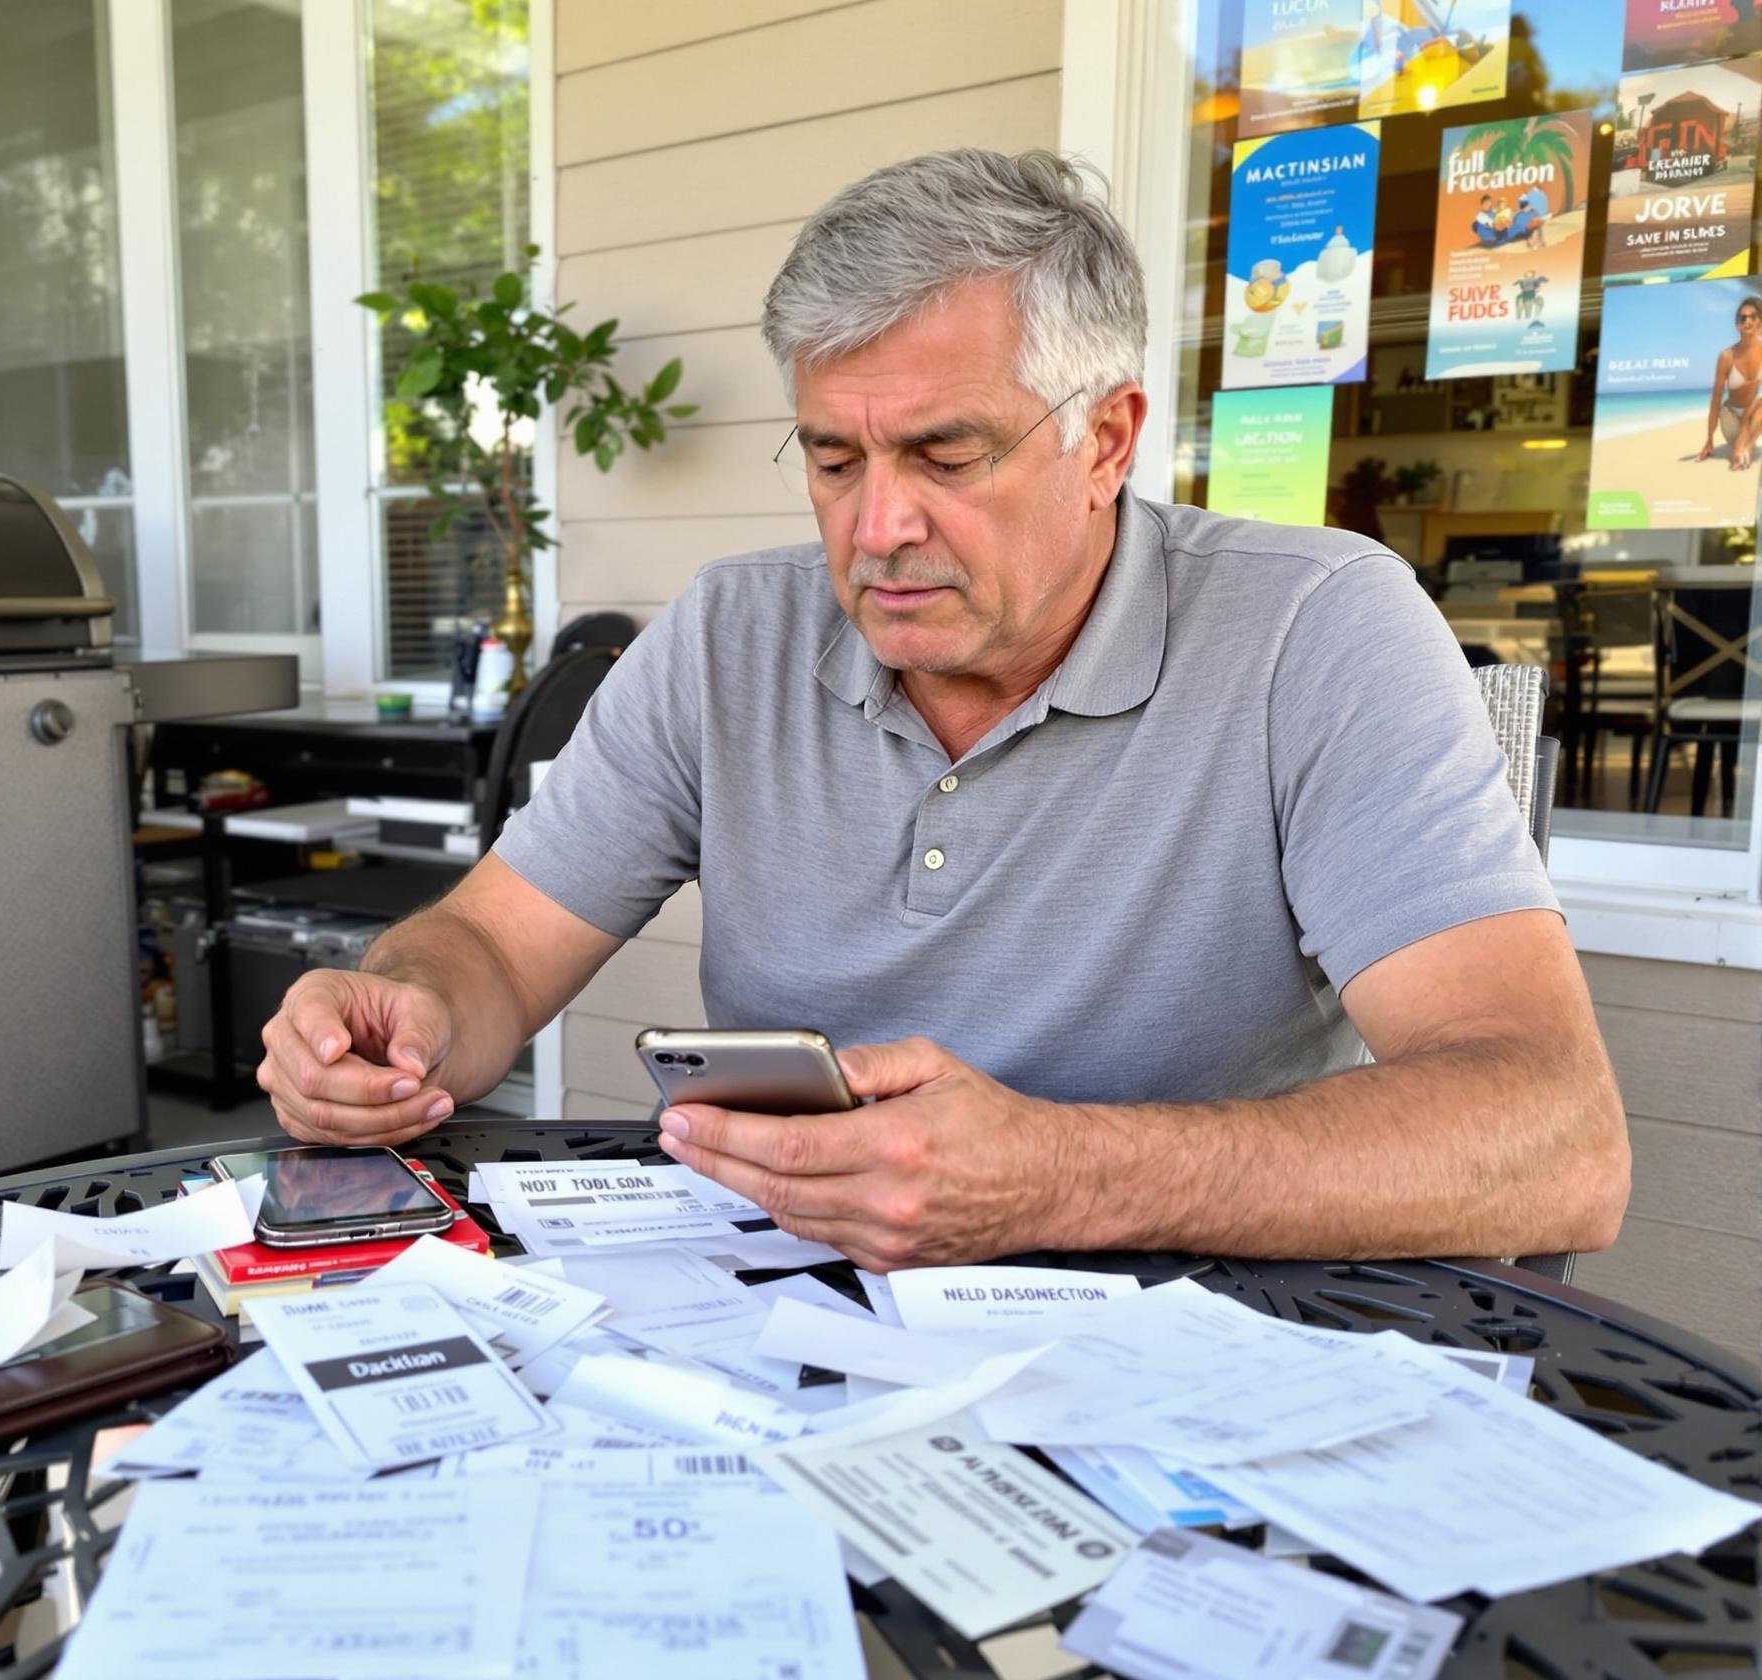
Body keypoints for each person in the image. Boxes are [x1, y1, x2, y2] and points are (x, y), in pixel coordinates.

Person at [257, 148, 1629, 1270]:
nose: (878, 528)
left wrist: (1058, 1177)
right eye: (836, 459)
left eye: (944, 453)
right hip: (795, 1332)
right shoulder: (733, 633)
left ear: (1107, 439)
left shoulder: (1314, 627)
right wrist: (399, 1016)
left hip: (1207, 1357)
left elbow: (1556, 1141)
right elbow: (492, 949)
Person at [1695, 295, 1762, 472]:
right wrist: (1709, 439)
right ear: (1737, 325)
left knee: (1759, 404)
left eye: (1753, 316)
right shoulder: (1726, 357)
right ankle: (1741, 446)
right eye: (1743, 317)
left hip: (1756, 419)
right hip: (1731, 419)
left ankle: (1744, 448)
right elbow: (1716, 401)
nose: (1747, 320)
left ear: (1760, 323)